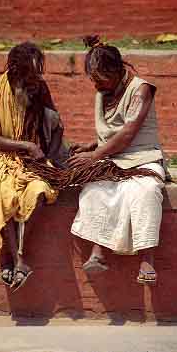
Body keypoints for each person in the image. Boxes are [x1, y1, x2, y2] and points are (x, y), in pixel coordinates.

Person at [68, 35, 165, 284]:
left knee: (145, 191)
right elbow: (112, 133)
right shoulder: (104, 90)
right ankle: (99, 252)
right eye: (94, 81)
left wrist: (94, 155)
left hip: (143, 157)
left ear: (118, 70)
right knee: (95, 189)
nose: (97, 86)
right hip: (112, 157)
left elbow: (127, 133)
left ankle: (147, 259)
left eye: (102, 80)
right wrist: (92, 146)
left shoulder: (141, 89)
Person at [0, 42, 64, 291]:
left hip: (35, 163)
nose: (36, 78)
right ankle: (16, 261)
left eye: (39, 72)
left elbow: (58, 127)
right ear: (16, 70)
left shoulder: (39, 88)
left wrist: (48, 158)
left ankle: (18, 257)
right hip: (5, 160)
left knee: (38, 191)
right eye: (32, 72)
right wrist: (27, 146)